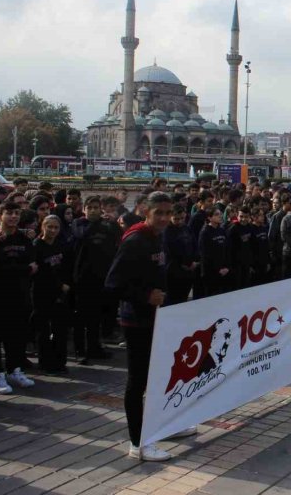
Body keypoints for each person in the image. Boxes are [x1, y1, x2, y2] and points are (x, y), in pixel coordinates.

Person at [106, 192, 195, 462]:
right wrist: (145, 296)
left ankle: (164, 426)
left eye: (169, 213)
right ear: (146, 211)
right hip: (136, 320)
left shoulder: (158, 236)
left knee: (163, 375)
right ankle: (138, 443)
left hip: (158, 317)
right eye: (159, 213)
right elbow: (112, 284)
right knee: (138, 381)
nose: (165, 218)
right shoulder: (135, 240)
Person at [0, 201, 37, 394]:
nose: (13, 217)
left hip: (20, 295)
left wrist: (22, 269)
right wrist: (23, 269)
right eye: (9, 213)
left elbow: (33, 263)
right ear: (0, 216)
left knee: (17, 334)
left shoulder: (24, 238)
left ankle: (14, 369)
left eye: (16, 213)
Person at [71, 196, 120, 364]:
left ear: (101, 209)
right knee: (81, 316)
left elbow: (117, 239)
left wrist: (112, 222)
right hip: (83, 278)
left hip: (102, 277)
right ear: (84, 209)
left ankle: (95, 347)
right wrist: (98, 222)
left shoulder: (108, 225)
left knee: (97, 316)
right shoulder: (79, 223)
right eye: (89, 207)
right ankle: (80, 350)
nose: (92, 210)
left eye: (96, 207)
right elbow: (82, 235)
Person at [32, 215, 72, 374]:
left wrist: (66, 284)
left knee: (60, 328)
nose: (53, 230)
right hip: (42, 292)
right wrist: (59, 285)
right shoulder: (36, 246)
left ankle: (60, 361)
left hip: (61, 292)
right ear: (43, 226)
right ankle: (46, 362)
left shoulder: (61, 245)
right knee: (43, 330)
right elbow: (39, 272)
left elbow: (67, 266)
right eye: (50, 227)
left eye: (56, 227)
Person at [164, 203, 198, 305]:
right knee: (171, 301)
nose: (179, 221)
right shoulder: (167, 231)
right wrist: (183, 264)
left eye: (182, 218)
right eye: (176, 219)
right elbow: (170, 251)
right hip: (173, 272)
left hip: (188, 272)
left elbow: (194, 245)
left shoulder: (186, 228)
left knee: (183, 300)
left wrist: (194, 262)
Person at [198, 206, 230, 297]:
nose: (220, 216)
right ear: (209, 217)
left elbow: (227, 249)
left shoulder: (221, 230)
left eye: (220, 214)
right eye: (216, 215)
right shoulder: (205, 232)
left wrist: (226, 266)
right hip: (211, 272)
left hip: (224, 270)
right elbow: (205, 254)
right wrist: (218, 269)